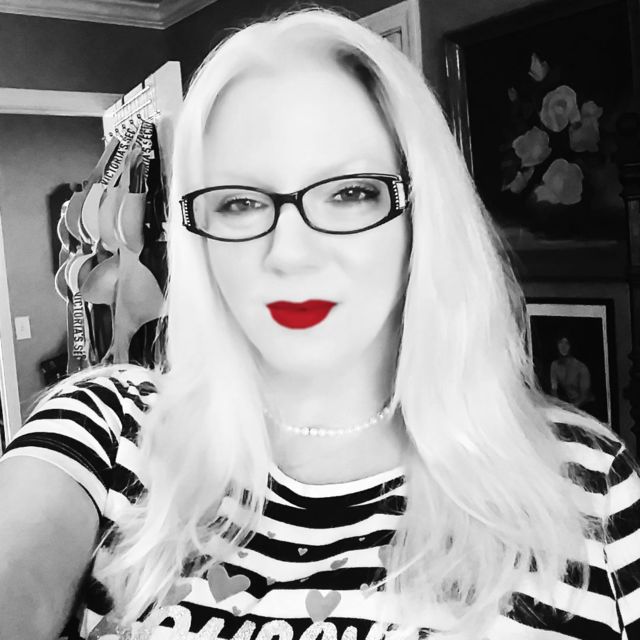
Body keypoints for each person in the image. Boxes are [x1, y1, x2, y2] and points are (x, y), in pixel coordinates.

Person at [1, 8, 639, 640]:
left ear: (421, 213)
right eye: (239, 203)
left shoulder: (586, 487)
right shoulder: (110, 429)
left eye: (350, 193)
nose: (290, 253)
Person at [549, 335, 595, 410]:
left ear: (571, 346)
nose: (563, 346)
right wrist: (557, 404)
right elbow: (554, 389)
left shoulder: (581, 367)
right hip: (570, 404)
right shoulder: (554, 365)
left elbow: (585, 395)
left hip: (586, 405)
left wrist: (572, 407)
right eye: (561, 342)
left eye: (566, 343)